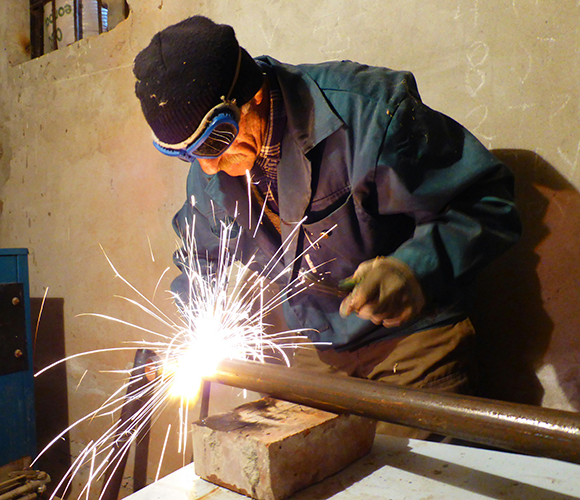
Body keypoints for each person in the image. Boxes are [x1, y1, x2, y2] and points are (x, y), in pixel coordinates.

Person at [132, 16, 521, 437]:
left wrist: (415, 268)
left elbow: (487, 201)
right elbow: (198, 259)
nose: (207, 165)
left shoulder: (367, 113)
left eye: (213, 142)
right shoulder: (209, 171)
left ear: (253, 95)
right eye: (187, 154)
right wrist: (196, 325)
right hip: (319, 353)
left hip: (413, 346)